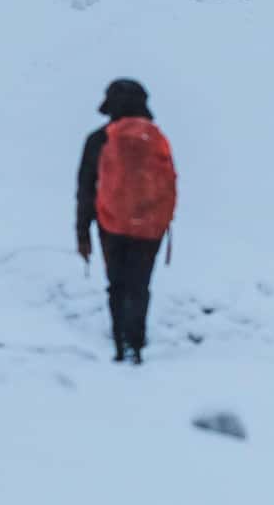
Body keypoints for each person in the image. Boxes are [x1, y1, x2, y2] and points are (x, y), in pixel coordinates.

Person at [75, 77, 176, 364]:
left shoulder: (99, 139)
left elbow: (85, 189)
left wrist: (82, 232)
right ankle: (137, 342)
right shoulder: (155, 139)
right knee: (140, 284)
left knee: (117, 284)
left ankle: (122, 344)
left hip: (112, 224)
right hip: (150, 226)